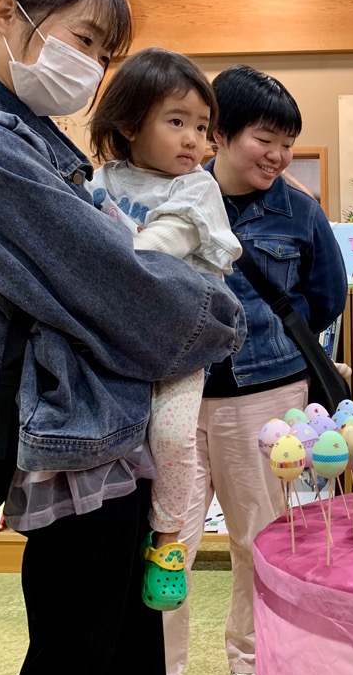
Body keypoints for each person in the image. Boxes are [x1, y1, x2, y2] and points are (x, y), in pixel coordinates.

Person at [0, 0, 243, 675]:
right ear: (6, 13)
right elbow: (124, 289)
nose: (91, 67)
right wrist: (220, 311)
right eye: (85, 40)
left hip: (97, 431)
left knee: (121, 662)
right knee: (76, 666)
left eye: (103, 53)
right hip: (77, 440)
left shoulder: (19, 139)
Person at [162, 64, 347, 675]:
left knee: (258, 540)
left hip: (266, 397)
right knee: (168, 545)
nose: (278, 155)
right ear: (220, 133)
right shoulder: (173, 193)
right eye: (265, 139)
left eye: (287, 143)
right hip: (175, 394)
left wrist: (268, 343)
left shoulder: (299, 210)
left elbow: (327, 295)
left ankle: (250, 666)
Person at [86, 47, 242, 609]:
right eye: (177, 122)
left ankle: (170, 540)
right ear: (130, 124)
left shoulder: (195, 187)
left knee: (174, 436)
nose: (193, 140)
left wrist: (103, 261)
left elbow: (156, 250)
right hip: (113, 340)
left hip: (176, 341)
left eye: (201, 127)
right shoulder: (99, 180)